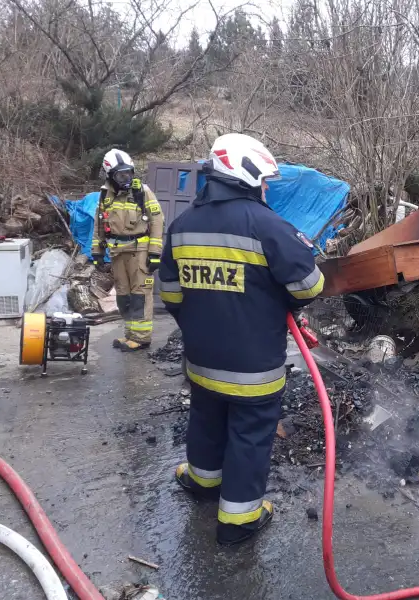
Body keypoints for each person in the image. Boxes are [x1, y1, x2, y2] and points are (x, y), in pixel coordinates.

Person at [158, 133, 325, 546]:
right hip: (253, 366)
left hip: (201, 359)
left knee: (206, 418)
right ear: (246, 175)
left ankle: (202, 481)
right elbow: (309, 286)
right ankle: (238, 521)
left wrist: (203, 319)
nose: (266, 189)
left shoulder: (182, 225)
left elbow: (171, 296)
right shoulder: (268, 226)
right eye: (264, 181)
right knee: (250, 435)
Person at [91, 149, 163, 351]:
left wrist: (155, 252)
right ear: (110, 176)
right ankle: (130, 333)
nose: (126, 179)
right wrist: (97, 252)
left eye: (129, 173)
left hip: (139, 251)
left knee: (140, 295)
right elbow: (99, 224)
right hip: (117, 253)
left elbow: (157, 221)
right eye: (121, 175)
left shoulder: (142, 192)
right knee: (123, 296)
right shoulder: (105, 196)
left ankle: (141, 338)